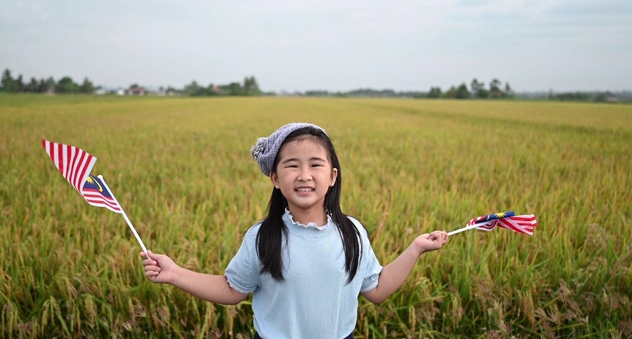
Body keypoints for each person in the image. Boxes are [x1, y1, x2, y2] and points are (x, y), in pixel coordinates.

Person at [140, 123, 449, 339]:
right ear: (275, 178)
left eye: (315, 165)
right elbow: (232, 289)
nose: (304, 175)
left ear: (332, 176)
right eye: (292, 166)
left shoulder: (352, 233)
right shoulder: (263, 238)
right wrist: (175, 274)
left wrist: (416, 248)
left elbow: (377, 290)